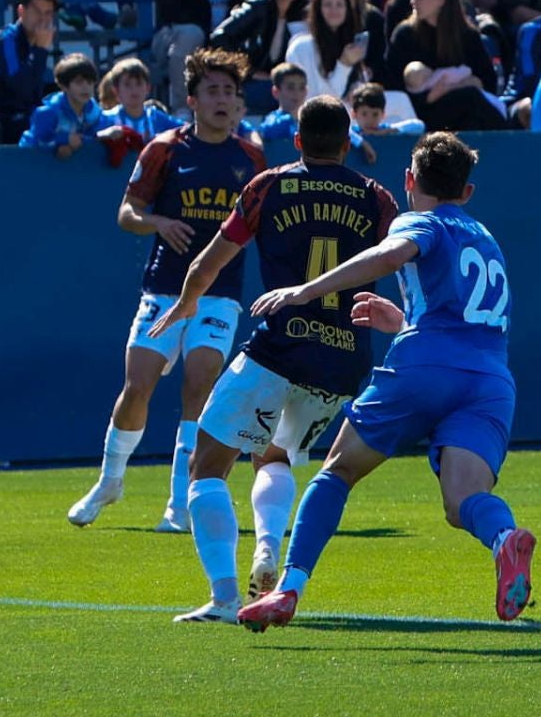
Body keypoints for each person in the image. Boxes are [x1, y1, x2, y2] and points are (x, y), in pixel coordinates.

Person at [236, 131, 537, 630]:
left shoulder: (418, 218)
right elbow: (465, 319)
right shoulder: (486, 238)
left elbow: (392, 254)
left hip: (423, 367)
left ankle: (287, 590)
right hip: (490, 379)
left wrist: (305, 290)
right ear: (467, 192)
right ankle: (505, 537)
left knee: (336, 471)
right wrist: (402, 321)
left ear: (409, 181)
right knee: (463, 501)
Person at [142, 95, 395, 621]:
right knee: (275, 456)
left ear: (297, 141)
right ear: (348, 144)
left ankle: (223, 596)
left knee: (206, 463)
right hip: (343, 361)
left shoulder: (269, 185)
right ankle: (267, 551)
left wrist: (186, 303)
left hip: (279, 346)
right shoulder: (376, 198)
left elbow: (211, 259)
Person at [66, 48, 267, 533]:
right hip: (164, 288)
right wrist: (157, 221)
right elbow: (126, 213)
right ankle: (111, 481)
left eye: (229, 92)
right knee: (138, 385)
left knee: (199, 382)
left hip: (220, 292)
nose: (221, 100)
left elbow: (263, 224)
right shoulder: (164, 149)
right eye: (212, 91)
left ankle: (179, 503)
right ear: (191, 99)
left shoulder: (252, 159)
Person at [378, 0, 505, 132]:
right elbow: (392, 81)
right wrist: (428, 96)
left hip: (462, 108)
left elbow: (488, 80)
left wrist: (464, 84)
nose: (413, 2)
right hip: (421, 111)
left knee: (472, 102)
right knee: (471, 99)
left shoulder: (467, 35)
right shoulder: (405, 34)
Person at [210, 0, 308, 92]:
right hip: (245, 84)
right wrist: (249, 71)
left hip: (274, 85)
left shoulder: (296, 17)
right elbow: (219, 37)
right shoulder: (258, 6)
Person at [0, 0, 59, 146]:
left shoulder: (34, 43)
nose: (42, 19)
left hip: (17, 116)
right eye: (37, 12)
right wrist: (41, 50)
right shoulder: (5, 40)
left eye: (48, 13)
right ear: (21, 11)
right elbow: (22, 90)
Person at [283, 0, 367, 102]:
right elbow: (324, 100)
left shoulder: (350, 45)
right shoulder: (303, 47)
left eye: (339, 5)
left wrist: (357, 89)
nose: (334, 10)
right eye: (328, 5)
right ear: (318, 9)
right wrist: (344, 64)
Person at [19, 52, 107, 156]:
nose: (86, 88)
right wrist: (62, 141)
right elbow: (34, 144)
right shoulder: (48, 113)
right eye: (79, 82)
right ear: (64, 86)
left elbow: (95, 139)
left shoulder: (94, 112)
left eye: (90, 82)